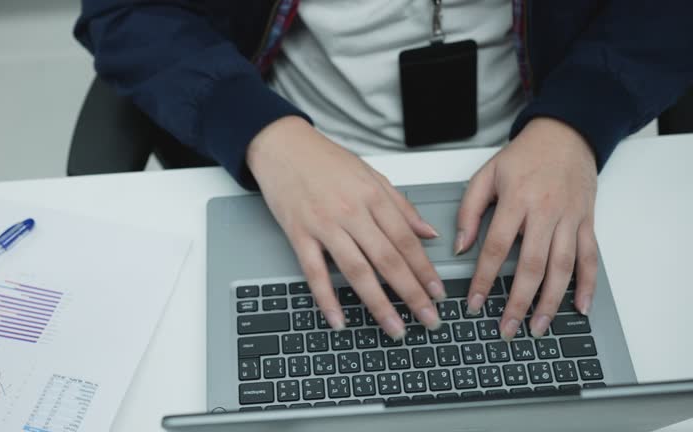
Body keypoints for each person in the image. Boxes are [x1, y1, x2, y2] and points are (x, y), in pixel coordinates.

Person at [75, 0, 693, 340]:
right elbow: (129, 10)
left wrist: (578, 121)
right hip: (300, 151)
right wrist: (264, 135)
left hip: (539, 147)